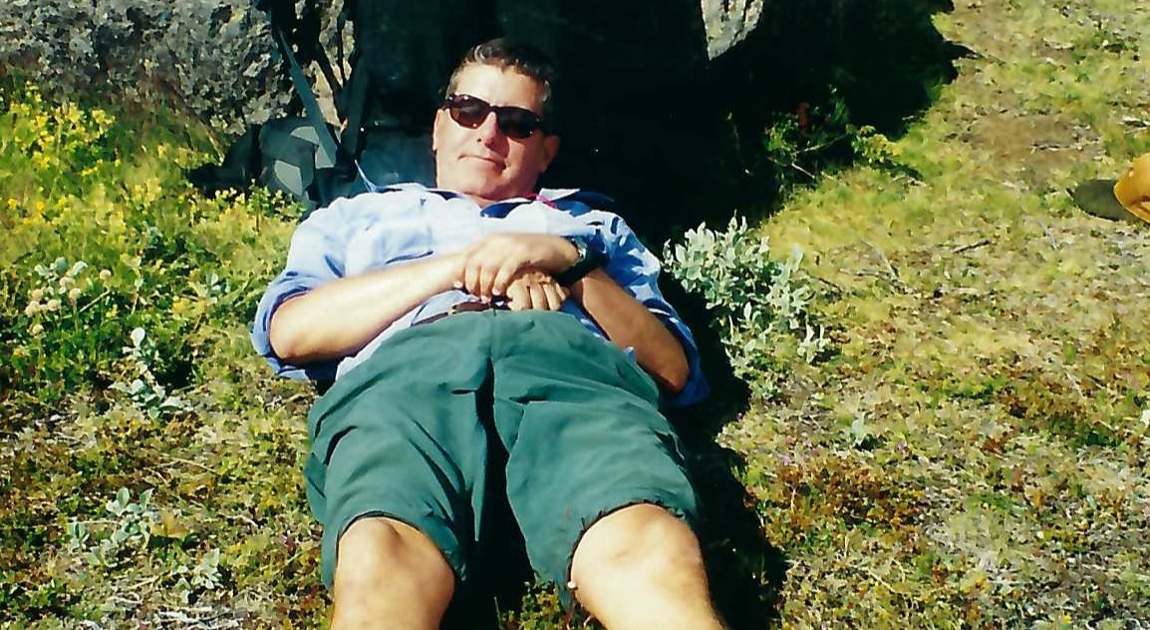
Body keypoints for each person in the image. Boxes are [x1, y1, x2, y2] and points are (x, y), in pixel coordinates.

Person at [251, 38, 725, 630]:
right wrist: (458, 267)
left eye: (517, 123)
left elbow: (674, 370)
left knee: (645, 547)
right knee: (382, 556)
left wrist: (569, 264)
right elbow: (291, 331)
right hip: (407, 375)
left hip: (572, 372)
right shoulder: (358, 217)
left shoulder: (590, 226)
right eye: (468, 110)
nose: (488, 133)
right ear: (438, 127)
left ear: (547, 150)